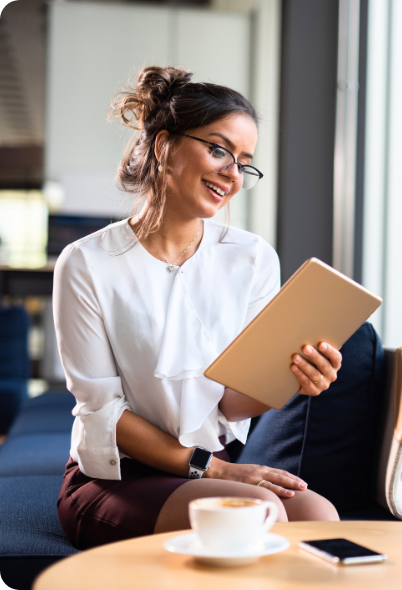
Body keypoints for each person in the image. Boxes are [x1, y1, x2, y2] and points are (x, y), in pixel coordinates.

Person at [54, 66, 340, 550]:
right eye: (219, 149)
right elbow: (104, 413)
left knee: (319, 515)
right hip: (117, 475)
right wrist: (223, 469)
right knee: (257, 513)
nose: (232, 174)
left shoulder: (251, 258)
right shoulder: (87, 263)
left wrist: (291, 379)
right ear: (164, 145)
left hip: (212, 464)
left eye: (244, 162)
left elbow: (231, 402)